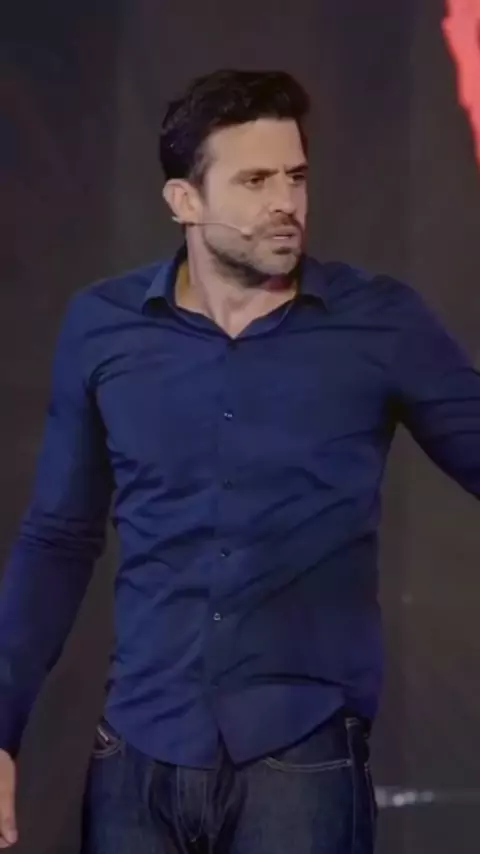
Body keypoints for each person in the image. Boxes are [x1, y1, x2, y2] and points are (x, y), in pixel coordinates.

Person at [0, 68, 479, 854]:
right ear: (184, 201)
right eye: (255, 181)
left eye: (296, 176)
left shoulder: (379, 322)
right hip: (137, 754)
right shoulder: (102, 327)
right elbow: (57, 538)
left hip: (301, 756)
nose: (286, 201)